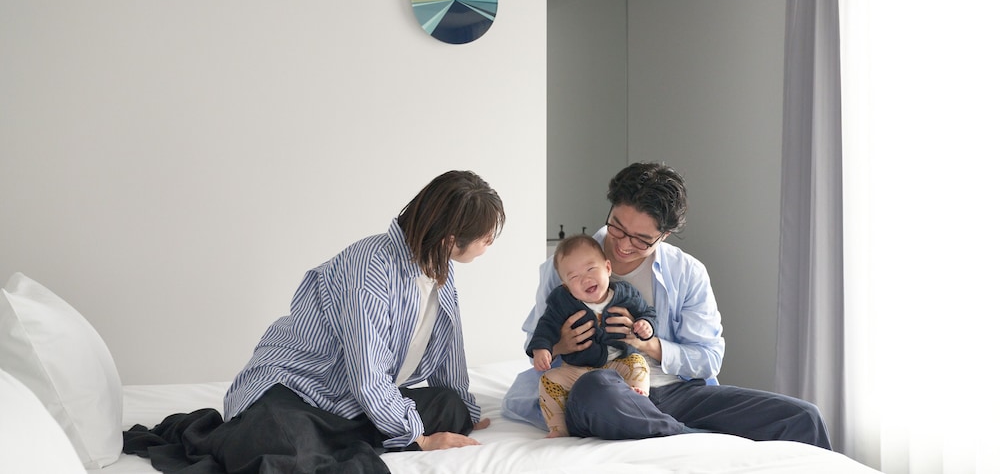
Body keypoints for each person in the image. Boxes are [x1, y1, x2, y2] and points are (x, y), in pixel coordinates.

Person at [124, 170, 505, 474]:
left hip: (347, 398)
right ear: (449, 239)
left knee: (450, 407)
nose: (490, 242)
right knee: (281, 444)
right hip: (296, 389)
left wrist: (465, 411)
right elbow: (368, 374)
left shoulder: (438, 271)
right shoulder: (370, 269)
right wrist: (418, 439)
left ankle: (349, 432)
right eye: (486, 237)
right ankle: (336, 434)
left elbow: (448, 352)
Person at [502, 162, 831, 448]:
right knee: (597, 389)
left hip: (675, 393)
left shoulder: (687, 272)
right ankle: (694, 437)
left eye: (641, 239)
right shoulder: (564, 266)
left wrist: (649, 344)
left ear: (665, 234)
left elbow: (708, 358)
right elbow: (535, 345)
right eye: (617, 227)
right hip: (599, 390)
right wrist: (561, 344)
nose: (624, 245)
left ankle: (664, 426)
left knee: (803, 416)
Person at [528, 234, 657, 438]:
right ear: (565, 285)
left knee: (638, 363)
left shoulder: (625, 294)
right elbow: (546, 327)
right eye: (574, 277)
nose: (585, 279)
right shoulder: (561, 302)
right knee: (548, 381)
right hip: (578, 369)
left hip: (618, 363)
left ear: (607, 268)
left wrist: (645, 324)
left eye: (591, 269)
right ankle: (558, 428)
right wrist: (542, 349)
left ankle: (638, 397)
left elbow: (646, 312)